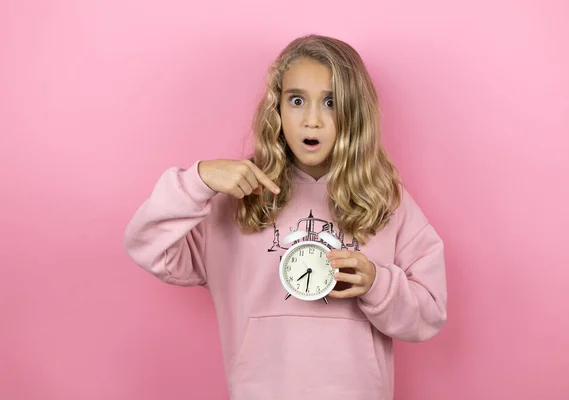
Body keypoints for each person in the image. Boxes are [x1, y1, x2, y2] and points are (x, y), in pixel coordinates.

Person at [123, 34, 447, 400]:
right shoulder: (236, 200)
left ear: (354, 111)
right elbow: (147, 247)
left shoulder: (385, 200)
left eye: (330, 102)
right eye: (296, 101)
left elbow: (429, 313)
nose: (312, 121)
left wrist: (377, 283)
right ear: (276, 109)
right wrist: (197, 180)